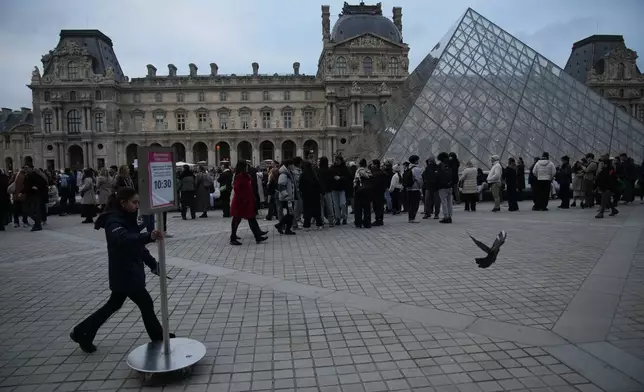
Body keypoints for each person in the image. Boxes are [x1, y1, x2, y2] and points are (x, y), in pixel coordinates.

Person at [70, 187, 174, 353]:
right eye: (134, 202)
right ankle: (158, 336)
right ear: (122, 202)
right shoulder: (114, 221)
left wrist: (152, 264)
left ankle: (82, 331)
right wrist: (148, 236)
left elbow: (137, 246)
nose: (137, 206)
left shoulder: (127, 217)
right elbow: (123, 239)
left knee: (114, 304)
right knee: (145, 303)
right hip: (125, 273)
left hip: (129, 271)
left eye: (138, 202)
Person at [229, 161, 268, 245]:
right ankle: (232, 238)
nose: (248, 168)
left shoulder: (245, 176)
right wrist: (243, 198)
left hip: (246, 201)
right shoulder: (239, 176)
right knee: (236, 220)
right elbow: (237, 189)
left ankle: (258, 237)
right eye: (246, 166)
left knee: (251, 219)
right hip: (240, 202)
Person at [299, 161, 324, 230]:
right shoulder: (314, 174)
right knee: (317, 210)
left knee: (307, 211)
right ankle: (319, 224)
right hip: (315, 195)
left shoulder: (303, 175)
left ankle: (306, 226)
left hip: (306, 195)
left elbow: (300, 186)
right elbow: (319, 184)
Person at [275, 160, 296, 235]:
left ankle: (285, 228)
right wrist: (286, 195)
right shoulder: (284, 175)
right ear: (288, 165)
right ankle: (281, 225)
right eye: (292, 164)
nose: (293, 166)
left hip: (290, 197)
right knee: (291, 213)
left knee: (291, 214)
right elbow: (281, 186)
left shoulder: (289, 173)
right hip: (287, 198)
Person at [23, 164, 46, 231]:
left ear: (31, 168)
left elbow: (43, 183)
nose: (25, 169)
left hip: (35, 195)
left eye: (27, 168)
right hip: (29, 195)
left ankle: (37, 224)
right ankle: (37, 222)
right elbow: (26, 185)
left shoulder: (35, 175)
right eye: (25, 168)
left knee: (35, 210)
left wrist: (37, 187)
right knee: (26, 210)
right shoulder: (27, 175)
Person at [330, 155, 351, 225]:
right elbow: (329, 176)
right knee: (335, 205)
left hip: (342, 188)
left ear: (341, 160)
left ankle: (344, 217)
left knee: (342, 204)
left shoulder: (345, 168)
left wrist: (340, 178)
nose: (337, 161)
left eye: (338, 160)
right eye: (336, 160)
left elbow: (348, 177)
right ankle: (338, 218)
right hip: (334, 188)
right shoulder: (332, 167)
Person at [353, 159, 372, 228]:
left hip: (359, 191)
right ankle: (367, 223)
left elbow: (355, 181)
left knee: (358, 207)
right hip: (367, 191)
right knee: (367, 207)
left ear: (360, 164)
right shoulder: (369, 171)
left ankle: (358, 222)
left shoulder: (358, 171)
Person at [406, 155, 423, 223]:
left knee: (410, 204)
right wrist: (421, 187)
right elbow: (419, 179)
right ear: (415, 160)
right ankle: (412, 218)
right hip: (415, 188)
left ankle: (410, 217)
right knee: (415, 204)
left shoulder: (408, 168)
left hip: (408, 188)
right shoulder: (416, 169)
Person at [370, 159, 388, 226]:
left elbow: (373, 184)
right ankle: (381, 219)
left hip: (375, 192)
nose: (371, 165)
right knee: (380, 206)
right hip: (381, 191)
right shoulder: (383, 173)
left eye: (372, 164)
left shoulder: (374, 173)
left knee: (376, 206)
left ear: (375, 165)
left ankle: (377, 220)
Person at [436, 153, 453, 223]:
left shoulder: (440, 166)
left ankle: (445, 217)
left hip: (442, 187)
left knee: (444, 202)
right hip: (449, 186)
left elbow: (438, 176)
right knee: (449, 202)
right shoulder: (450, 165)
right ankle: (449, 216)